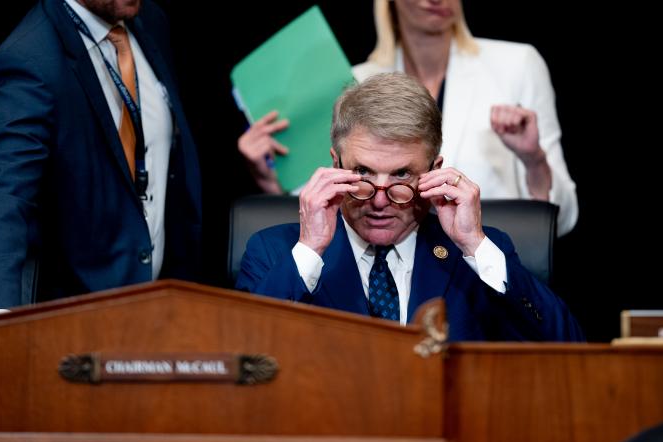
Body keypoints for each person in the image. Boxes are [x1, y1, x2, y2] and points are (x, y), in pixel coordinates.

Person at [236, 73, 582, 342]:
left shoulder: (479, 255)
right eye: (362, 173)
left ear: (434, 172)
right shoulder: (275, 251)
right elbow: (242, 353)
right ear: (334, 164)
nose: (381, 199)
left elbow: (566, 347)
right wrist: (310, 251)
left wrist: (473, 245)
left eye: (402, 175)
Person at [237, 0, 578, 236]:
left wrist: (534, 160)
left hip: (485, 269)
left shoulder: (516, 64)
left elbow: (561, 220)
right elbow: (323, 212)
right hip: (388, 271)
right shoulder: (357, 83)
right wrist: (268, 180)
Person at [0, 0, 202, 309]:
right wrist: (2, 325)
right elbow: (6, 196)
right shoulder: (30, 58)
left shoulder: (150, 22)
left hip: (163, 304)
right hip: (82, 322)